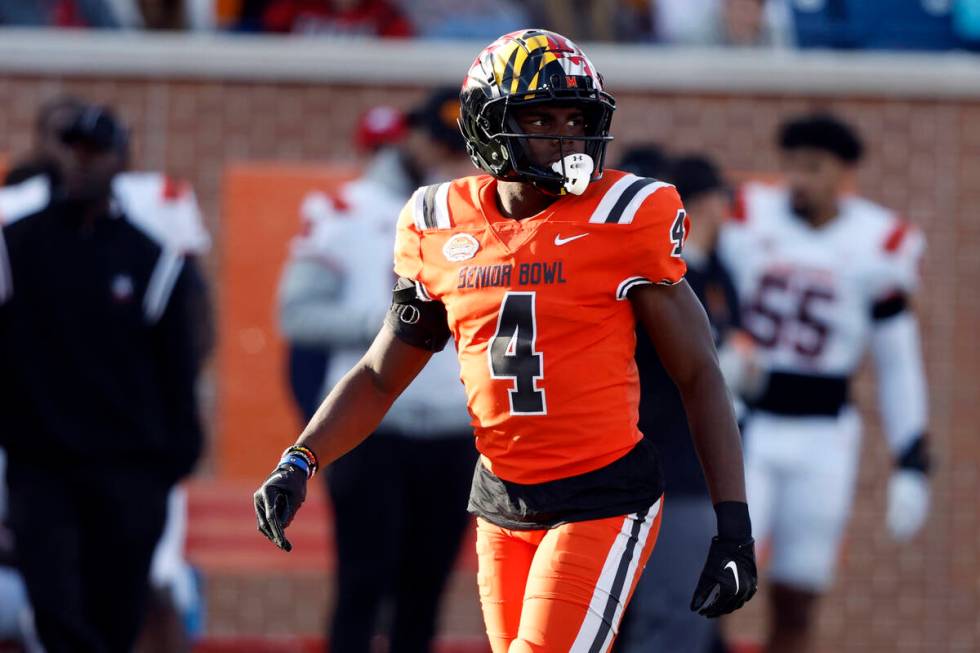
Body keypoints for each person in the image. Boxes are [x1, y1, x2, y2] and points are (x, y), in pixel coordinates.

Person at [255, 29, 758, 653]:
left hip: (602, 495)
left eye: (576, 117)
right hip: (501, 501)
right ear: (485, 127)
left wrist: (732, 525)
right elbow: (383, 374)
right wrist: (300, 458)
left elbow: (700, 374)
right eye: (541, 117)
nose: (566, 135)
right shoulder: (439, 223)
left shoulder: (627, 215)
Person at [718, 113, 932, 653]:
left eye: (813, 168)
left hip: (825, 434)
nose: (799, 180)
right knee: (717, 578)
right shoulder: (747, 214)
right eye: (791, 167)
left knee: (799, 592)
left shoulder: (878, 240)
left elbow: (897, 360)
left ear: (844, 173)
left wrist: (912, 457)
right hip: (749, 424)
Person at [277, 88, 476, 653]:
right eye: (438, 142)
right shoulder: (346, 210)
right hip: (372, 428)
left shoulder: (491, 216)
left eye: (458, 146)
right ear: (410, 135)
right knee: (363, 582)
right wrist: (386, 323)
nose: (446, 157)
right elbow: (295, 313)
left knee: (426, 590)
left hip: (455, 428)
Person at [0, 104, 205, 653]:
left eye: (96, 151)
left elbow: (178, 364)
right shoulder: (15, 246)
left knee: (117, 610)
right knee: (55, 606)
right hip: (41, 466)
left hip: (129, 468)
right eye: (71, 148)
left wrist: (176, 456)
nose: (81, 162)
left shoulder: (151, 257)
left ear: (121, 161)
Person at [618, 154, 758, 653]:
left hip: (695, 469)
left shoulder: (715, 270)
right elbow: (694, 372)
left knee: (696, 620)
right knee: (668, 619)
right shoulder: (660, 276)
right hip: (666, 469)